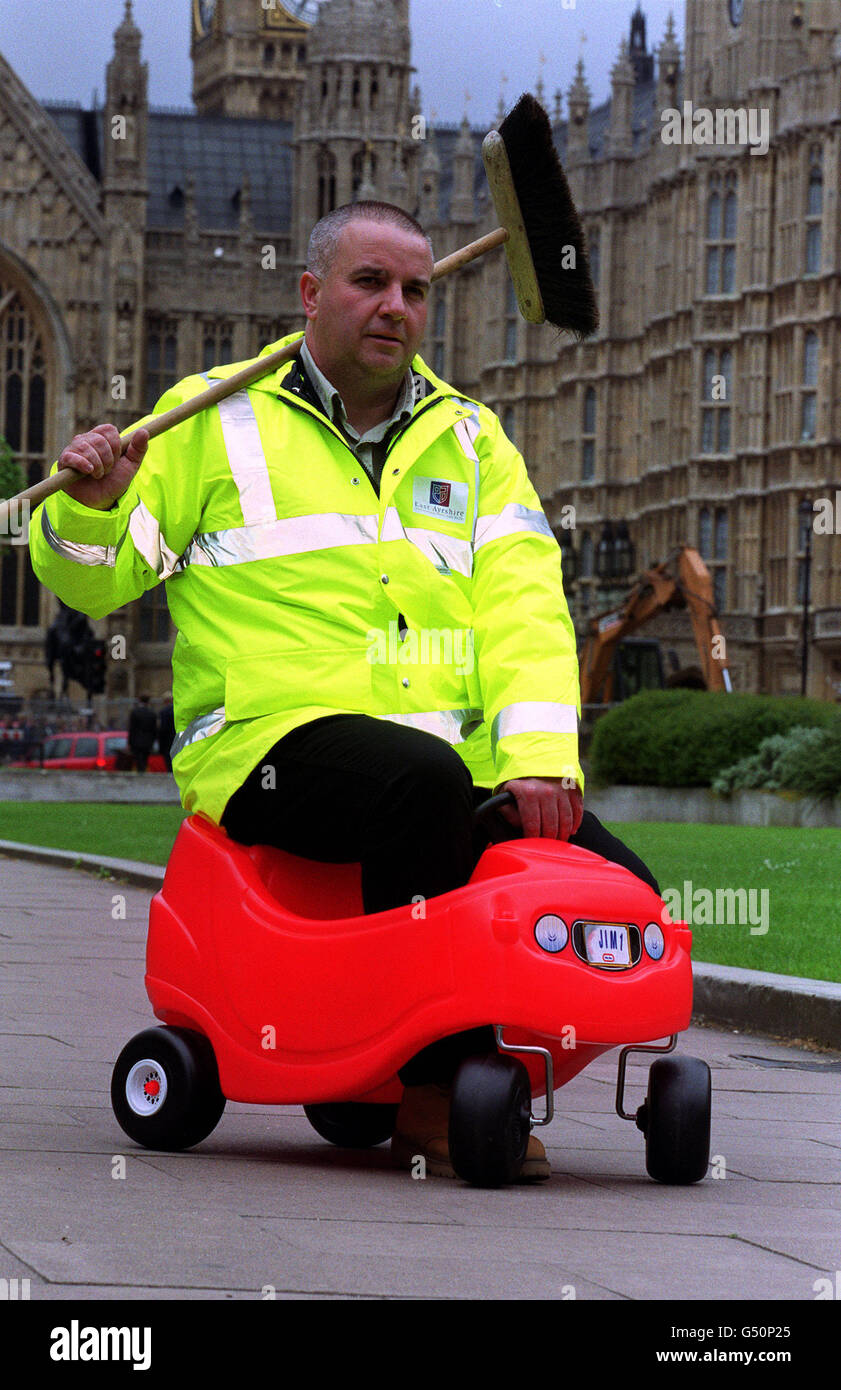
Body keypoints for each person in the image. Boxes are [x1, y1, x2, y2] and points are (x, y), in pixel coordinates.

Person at [30, 201, 658, 1181]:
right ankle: (437, 1088)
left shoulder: (471, 441)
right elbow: (98, 576)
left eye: (415, 289)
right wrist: (93, 503)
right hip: (268, 746)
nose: (395, 307)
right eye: (370, 283)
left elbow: (526, 606)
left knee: (622, 888)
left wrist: (539, 757)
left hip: (445, 764)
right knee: (415, 785)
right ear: (310, 294)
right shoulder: (210, 420)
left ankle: (537, 1057)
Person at [128, 694, 158, 773]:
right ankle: (143, 770)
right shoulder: (152, 713)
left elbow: (132, 729)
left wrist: (129, 742)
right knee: (145, 759)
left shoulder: (135, 712)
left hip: (136, 741)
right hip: (148, 741)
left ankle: (140, 771)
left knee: (138, 760)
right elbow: (154, 729)